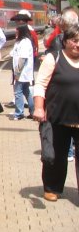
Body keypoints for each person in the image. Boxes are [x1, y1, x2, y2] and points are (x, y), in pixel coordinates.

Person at [32, 23, 79, 202]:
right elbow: (40, 84)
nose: (78, 44)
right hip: (57, 117)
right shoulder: (54, 57)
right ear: (65, 41)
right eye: (74, 40)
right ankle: (52, 187)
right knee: (57, 156)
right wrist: (38, 107)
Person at [10, 24, 35, 120]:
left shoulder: (25, 42)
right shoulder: (19, 42)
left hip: (22, 72)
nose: (15, 34)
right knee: (26, 91)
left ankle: (19, 113)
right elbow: (13, 53)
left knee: (18, 92)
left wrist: (17, 73)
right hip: (22, 72)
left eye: (17, 32)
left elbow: (23, 59)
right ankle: (33, 111)